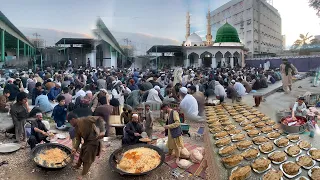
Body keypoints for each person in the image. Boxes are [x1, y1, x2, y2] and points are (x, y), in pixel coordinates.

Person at [67, 113, 105, 178]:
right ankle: (78, 165)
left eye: (70, 122)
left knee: (87, 159)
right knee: (81, 153)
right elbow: (78, 139)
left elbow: (99, 118)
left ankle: (83, 173)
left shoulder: (86, 119)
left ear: (73, 120)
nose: (70, 124)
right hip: (86, 142)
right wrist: (75, 148)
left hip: (94, 141)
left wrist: (102, 131)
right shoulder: (76, 128)